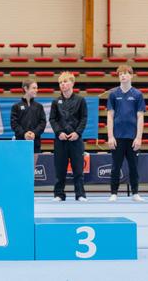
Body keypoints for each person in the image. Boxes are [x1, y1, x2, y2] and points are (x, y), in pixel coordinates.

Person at [107, 65, 145, 202]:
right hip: (117, 137)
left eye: (125, 73)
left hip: (132, 137)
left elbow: (140, 117)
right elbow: (110, 116)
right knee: (115, 167)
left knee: (133, 167)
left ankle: (135, 192)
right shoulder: (113, 95)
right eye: (120, 74)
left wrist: (139, 137)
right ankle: (113, 193)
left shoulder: (138, 95)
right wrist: (110, 136)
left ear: (131, 76)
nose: (123, 76)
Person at [49, 72, 88, 202]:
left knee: (78, 169)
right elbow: (52, 119)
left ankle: (80, 194)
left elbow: (84, 118)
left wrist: (77, 133)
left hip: (76, 140)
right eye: (60, 83)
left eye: (65, 82)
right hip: (61, 140)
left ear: (72, 83)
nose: (63, 85)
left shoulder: (80, 100)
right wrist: (59, 132)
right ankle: (59, 194)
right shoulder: (56, 101)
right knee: (60, 169)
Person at [10, 79, 46, 166]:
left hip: (35, 142)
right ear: (26, 89)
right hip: (20, 141)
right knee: (21, 167)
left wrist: (34, 133)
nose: (36, 90)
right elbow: (14, 124)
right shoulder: (16, 106)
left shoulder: (39, 106)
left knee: (32, 168)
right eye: (33, 88)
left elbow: (43, 123)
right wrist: (24, 134)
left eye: (37, 88)